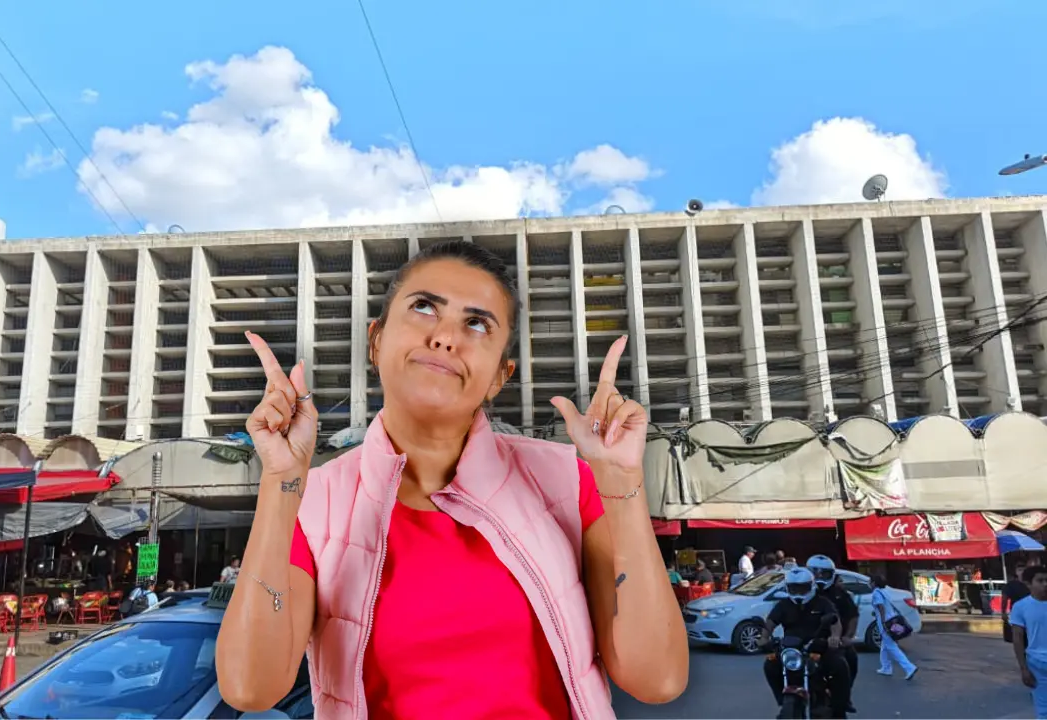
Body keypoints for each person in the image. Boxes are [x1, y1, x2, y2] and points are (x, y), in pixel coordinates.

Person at [216, 240, 689, 718]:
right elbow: (251, 688)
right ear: (376, 340)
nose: (445, 337)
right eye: (424, 307)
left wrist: (622, 481)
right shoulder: (315, 501)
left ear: (499, 377)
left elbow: (658, 679)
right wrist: (280, 480)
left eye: (477, 323)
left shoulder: (567, 479)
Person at [763, 567, 851, 719]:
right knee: (770, 664)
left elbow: (835, 622)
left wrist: (834, 637)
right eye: (793, 588)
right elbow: (770, 622)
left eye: (802, 588)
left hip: (818, 646)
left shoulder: (822, 602)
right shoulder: (783, 605)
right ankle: (783, 700)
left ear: (811, 586)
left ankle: (840, 705)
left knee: (840, 664)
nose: (797, 592)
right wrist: (764, 637)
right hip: (791, 649)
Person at [808, 555, 859, 714]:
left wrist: (847, 637)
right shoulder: (802, 591)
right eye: (815, 573)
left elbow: (853, 616)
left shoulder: (840, 594)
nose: (820, 577)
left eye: (824, 573)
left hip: (834, 642)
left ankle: (844, 697)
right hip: (807, 640)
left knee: (850, 659)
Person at [1011, 565, 1047, 718]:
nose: (1045, 584)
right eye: (1040, 580)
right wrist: (1023, 668)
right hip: (1037, 663)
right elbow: (1017, 638)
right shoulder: (1020, 607)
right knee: (1043, 708)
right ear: (1028, 584)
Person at [871, 575, 918, 680]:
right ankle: (886, 667)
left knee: (891, 646)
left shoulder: (876, 593)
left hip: (886, 623)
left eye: (870, 582)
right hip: (892, 621)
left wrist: (882, 621)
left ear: (874, 583)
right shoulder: (885, 592)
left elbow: (881, 607)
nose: (869, 584)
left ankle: (909, 667)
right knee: (885, 645)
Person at [1007, 563, 1033, 643]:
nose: (1021, 572)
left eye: (1023, 570)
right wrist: (1003, 612)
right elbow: (1005, 597)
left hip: (1030, 611)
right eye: (1019, 570)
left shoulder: (1031, 583)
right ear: (1016, 572)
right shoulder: (1011, 584)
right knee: (1019, 635)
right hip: (1017, 612)